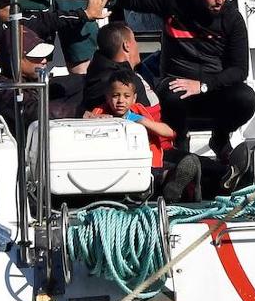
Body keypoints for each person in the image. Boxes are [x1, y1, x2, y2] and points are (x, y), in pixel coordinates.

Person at [110, 0, 255, 161]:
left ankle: (220, 138)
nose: (219, 0)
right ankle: (180, 143)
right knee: (172, 95)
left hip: (213, 85)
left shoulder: (232, 18)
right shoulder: (173, 3)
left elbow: (240, 70)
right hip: (176, 82)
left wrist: (203, 84)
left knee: (246, 99)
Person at [85, 69, 200, 203]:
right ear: (107, 96)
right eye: (115, 95)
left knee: (166, 170)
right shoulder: (99, 113)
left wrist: (142, 121)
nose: (121, 100)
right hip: (117, 168)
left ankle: (171, 187)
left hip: (146, 164)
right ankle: (146, 190)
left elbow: (169, 133)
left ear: (134, 98)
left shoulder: (138, 112)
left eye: (126, 96)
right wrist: (98, 121)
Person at [82, 21, 154, 112]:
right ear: (126, 46)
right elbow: (146, 114)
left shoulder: (95, 74)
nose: (137, 45)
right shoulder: (126, 81)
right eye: (135, 40)